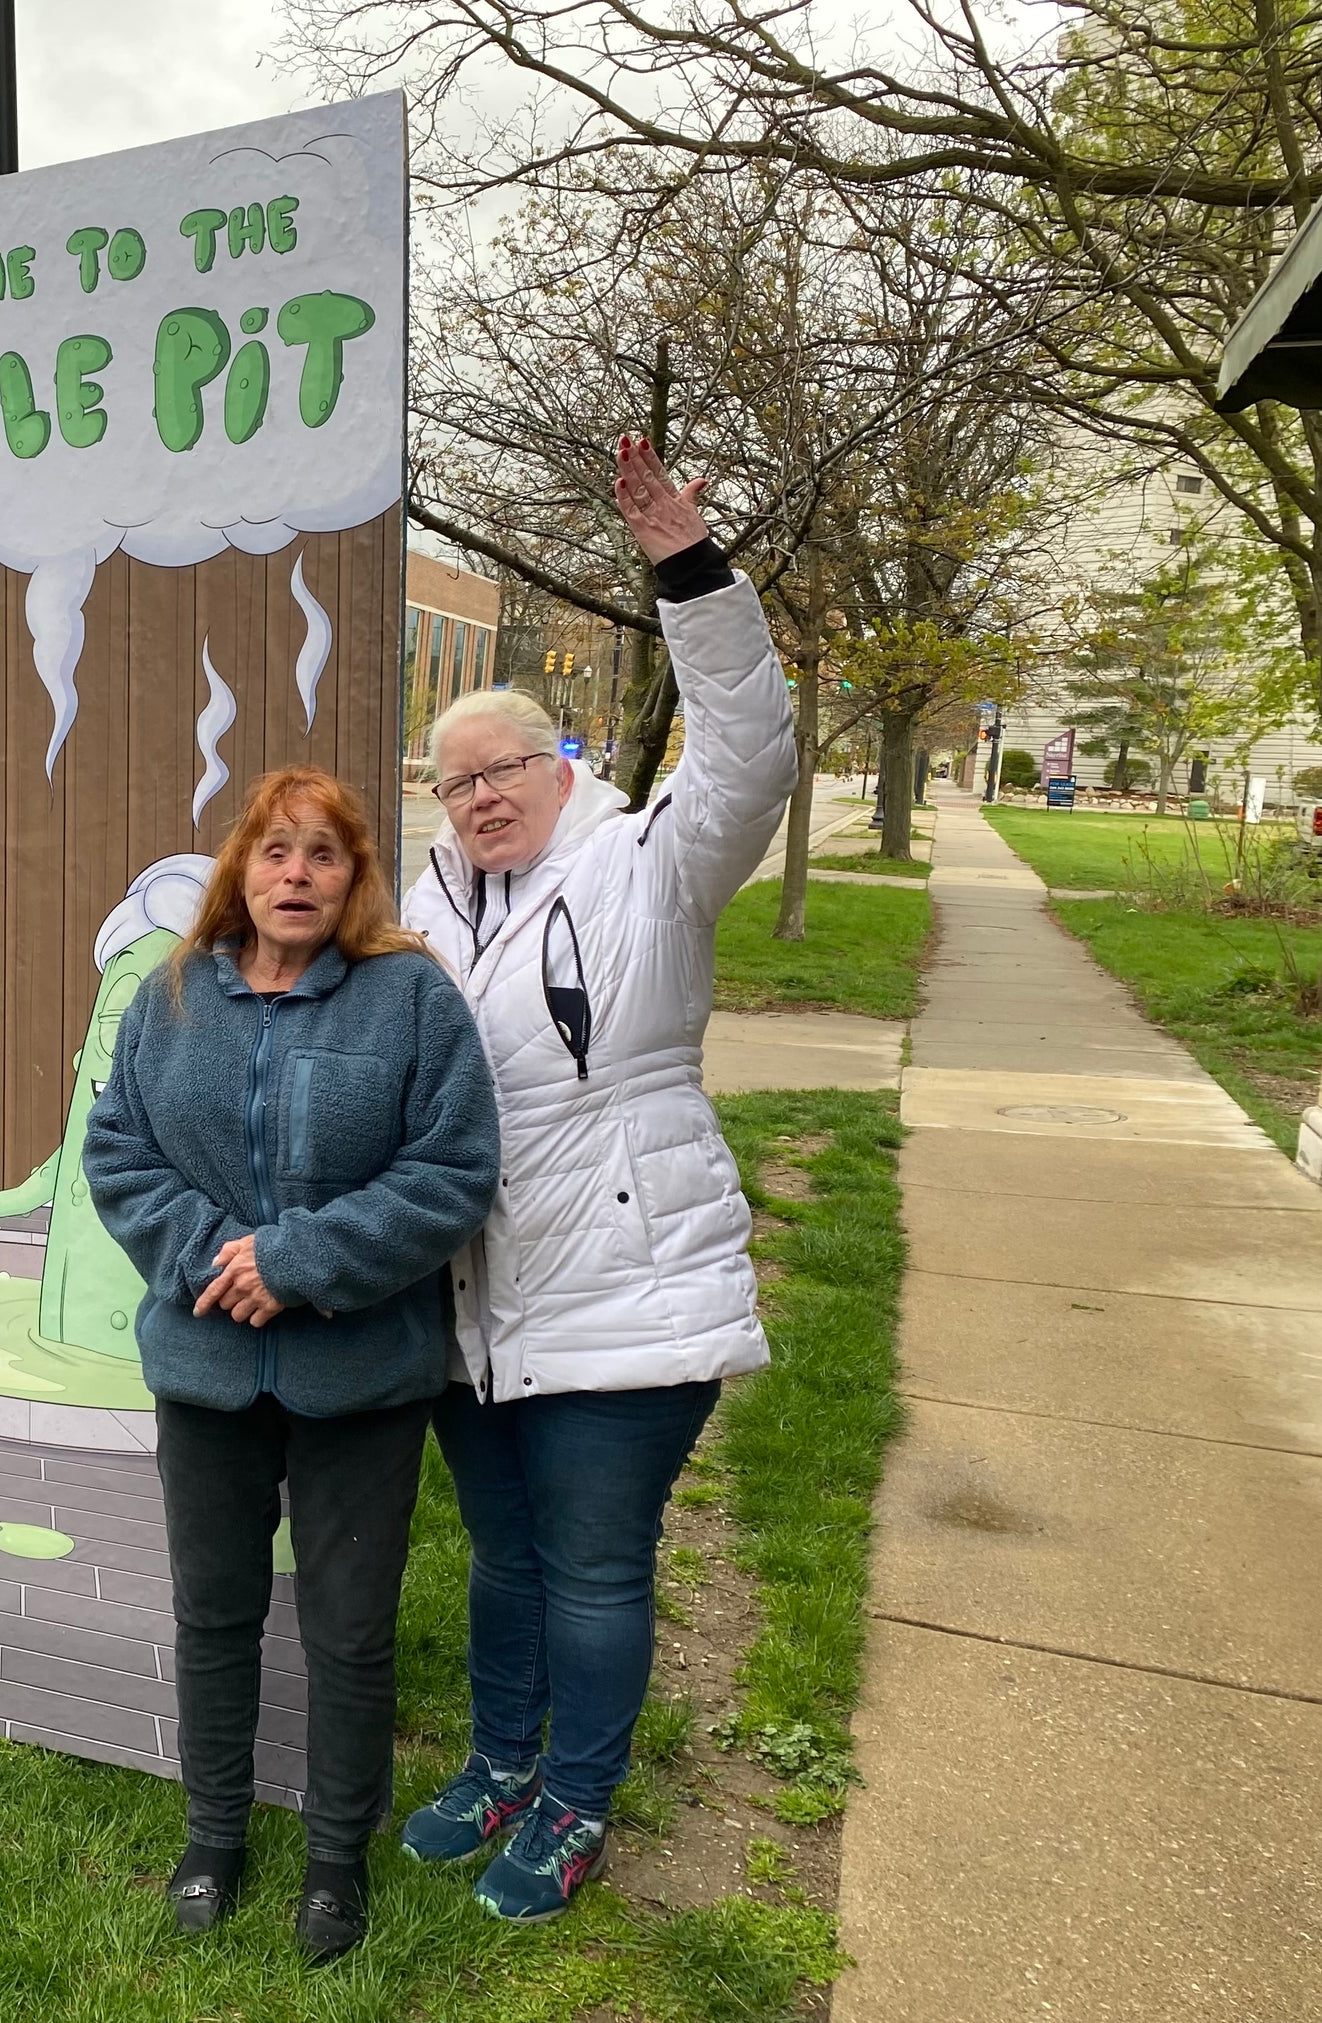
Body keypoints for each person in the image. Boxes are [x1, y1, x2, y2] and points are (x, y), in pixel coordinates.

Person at [399, 436, 799, 1923]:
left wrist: (691, 575)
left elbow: (752, 750)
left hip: (624, 1290)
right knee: (502, 1559)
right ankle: (503, 1759)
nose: (478, 794)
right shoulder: (426, 905)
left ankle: (575, 1799)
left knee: (590, 1565)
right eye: (452, 780)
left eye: (502, 765)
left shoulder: (654, 860)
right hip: (473, 1301)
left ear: (561, 760)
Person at [83, 766, 499, 1963]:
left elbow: (452, 1170)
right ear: (242, 871)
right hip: (208, 1368)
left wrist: (300, 1259)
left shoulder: (410, 1000)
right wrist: (220, 1261)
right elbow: (118, 1148)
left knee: (351, 1630)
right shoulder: (172, 997)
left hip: (359, 1375)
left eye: (324, 854)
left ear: (355, 875)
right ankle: (212, 1835)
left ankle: (334, 1857)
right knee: (216, 1614)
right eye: (276, 852)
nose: (297, 875)